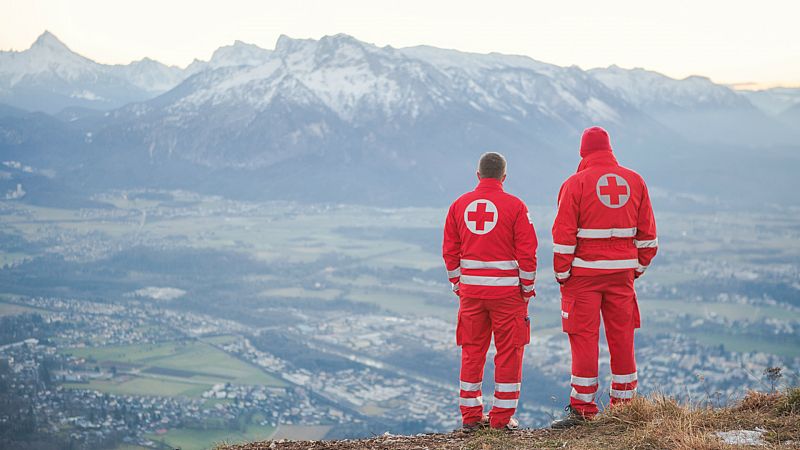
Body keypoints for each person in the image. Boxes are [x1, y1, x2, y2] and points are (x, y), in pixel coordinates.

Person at [550, 126, 657, 429]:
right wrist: (634, 269)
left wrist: (563, 272)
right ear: (610, 149)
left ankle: (583, 408)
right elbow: (648, 237)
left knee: (584, 338)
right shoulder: (636, 181)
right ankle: (624, 405)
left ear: (583, 152)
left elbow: (563, 234)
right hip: (621, 275)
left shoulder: (575, 183)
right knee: (622, 337)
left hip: (582, 276)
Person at [442, 152, 538, 431]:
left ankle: (471, 417)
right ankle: (501, 419)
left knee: (472, 351)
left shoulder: (458, 205)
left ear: (478, 175)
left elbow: (450, 251)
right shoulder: (516, 206)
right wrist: (527, 288)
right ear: (503, 177)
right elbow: (527, 252)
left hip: (471, 294)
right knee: (509, 352)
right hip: (508, 295)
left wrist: (459, 284)